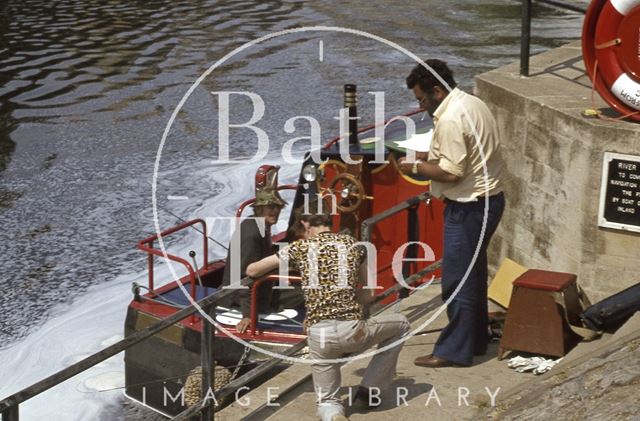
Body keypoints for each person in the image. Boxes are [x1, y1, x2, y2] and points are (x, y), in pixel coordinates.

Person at [247, 206, 410, 421]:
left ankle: (333, 413)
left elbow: (252, 270)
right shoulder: (354, 245)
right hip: (353, 331)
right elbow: (369, 294)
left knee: (327, 400)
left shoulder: (300, 247)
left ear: (306, 224)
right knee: (402, 325)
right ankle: (370, 389)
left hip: (319, 335)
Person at [398, 59, 505, 367]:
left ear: (435, 90)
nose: (420, 107)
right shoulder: (472, 102)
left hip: (469, 208)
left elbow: (451, 172)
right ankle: (475, 340)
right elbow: (465, 154)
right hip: (490, 200)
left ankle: (452, 351)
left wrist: (414, 166)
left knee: (457, 281)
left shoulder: (449, 119)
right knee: (473, 277)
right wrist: (424, 155)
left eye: (421, 99)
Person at [220, 186, 286, 334]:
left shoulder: (261, 226)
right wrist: (248, 315)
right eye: (271, 207)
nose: (276, 211)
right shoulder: (252, 234)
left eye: (278, 207)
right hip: (237, 298)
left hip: (262, 287)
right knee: (301, 293)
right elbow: (245, 277)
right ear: (259, 209)